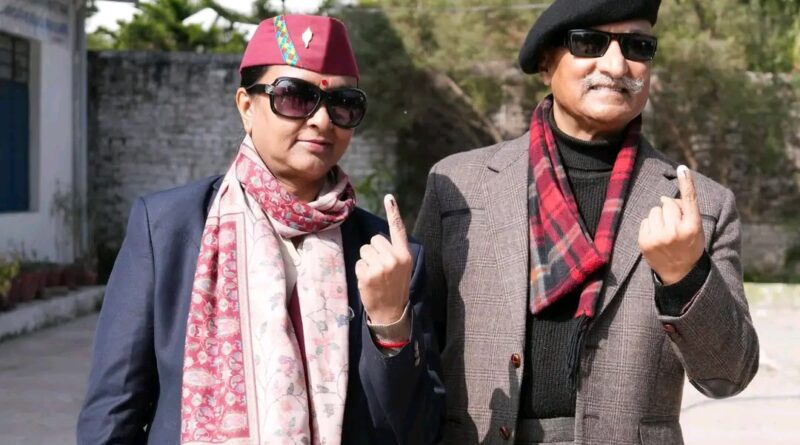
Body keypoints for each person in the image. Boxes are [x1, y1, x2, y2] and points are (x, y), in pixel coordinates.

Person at [78, 14, 444, 445]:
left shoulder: (388, 257)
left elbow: (421, 431)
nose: (322, 120)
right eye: (295, 97)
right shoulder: (168, 228)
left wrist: (389, 324)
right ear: (246, 106)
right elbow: (113, 412)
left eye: (343, 103)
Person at [414, 1, 758, 444]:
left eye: (637, 46)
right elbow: (415, 353)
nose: (616, 65)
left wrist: (685, 276)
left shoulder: (700, 206)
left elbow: (728, 376)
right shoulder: (459, 186)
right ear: (545, 64)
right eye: (589, 43)